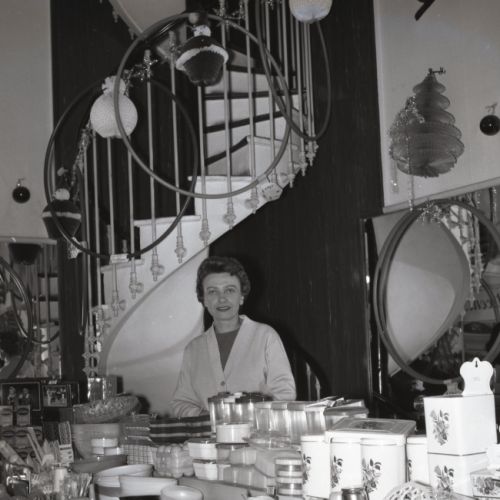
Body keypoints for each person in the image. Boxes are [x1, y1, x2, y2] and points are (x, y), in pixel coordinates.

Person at [171, 256, 296, 417]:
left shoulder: (266, 336)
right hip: (208, 433)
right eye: (212, 291)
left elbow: (286, 394)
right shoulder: (193, 349)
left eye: (229, 290)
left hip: (259, 431)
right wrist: (207, 417)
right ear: (204, 300)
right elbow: (181, 402)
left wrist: (248, 416)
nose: (222, 298)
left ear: (241, 296)